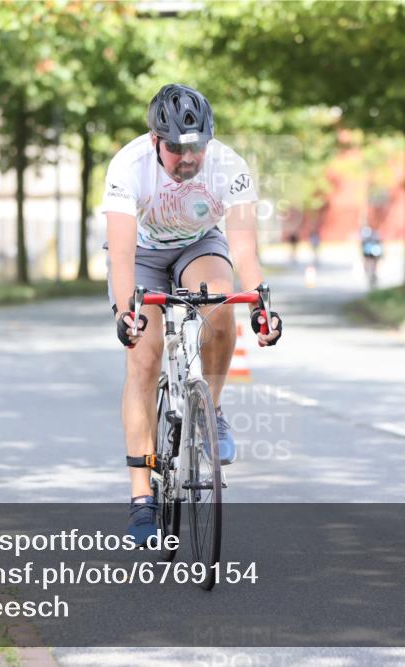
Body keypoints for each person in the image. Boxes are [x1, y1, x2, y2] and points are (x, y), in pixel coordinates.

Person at [100, 83, 283, 546]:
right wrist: (128, 314)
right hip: (141, 255)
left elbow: (244, 248)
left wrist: (261, 306)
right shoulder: (128, 167)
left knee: (221, 306)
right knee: (144, 355)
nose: (187, 158)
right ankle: (142, 497)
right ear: (154, 140)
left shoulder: (230, 167)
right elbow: (121, 255)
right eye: (177, 150)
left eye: (196, 148)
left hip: (198, 245)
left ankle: (212, 408)